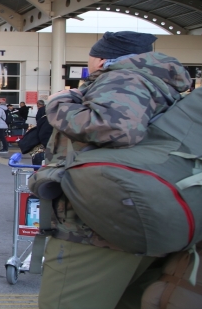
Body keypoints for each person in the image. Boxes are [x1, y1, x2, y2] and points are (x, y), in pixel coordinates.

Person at [38, 31, 192, 308]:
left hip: (97, 221)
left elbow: (115, 128)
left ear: (100, 59)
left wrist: (58, 102)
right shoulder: (159, 85)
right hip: (141, 211)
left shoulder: (122, 78)